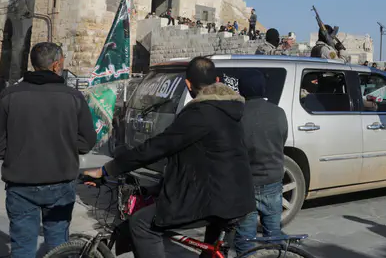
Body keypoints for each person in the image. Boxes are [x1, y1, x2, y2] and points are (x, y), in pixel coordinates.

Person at [83, 57, 254, 258]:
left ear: (188, 84)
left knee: (141, 224)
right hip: (235, 195)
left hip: (215, 200)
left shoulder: (200, 113)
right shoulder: (230, 110)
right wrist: (156, 188)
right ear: (216, 80)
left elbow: (157, 147)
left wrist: (107, 169)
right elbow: (198, 160)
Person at [0, 43, 97, 258]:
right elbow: (87, 140)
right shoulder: (73, 97)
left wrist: (12, 155)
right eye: (62, 62)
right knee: (58, 246)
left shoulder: (10, 95)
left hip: (21, 182)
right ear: (56, 65)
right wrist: (65, 150)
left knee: (23, 247)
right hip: (60, 181)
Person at [233, 70, 289, 255]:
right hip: (272, 181)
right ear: (263, 89)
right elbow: (282, 140)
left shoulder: (236, 116)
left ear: (241, 90)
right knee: (274, 232)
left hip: (245, 185)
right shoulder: (278, 113)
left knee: (245, 238)